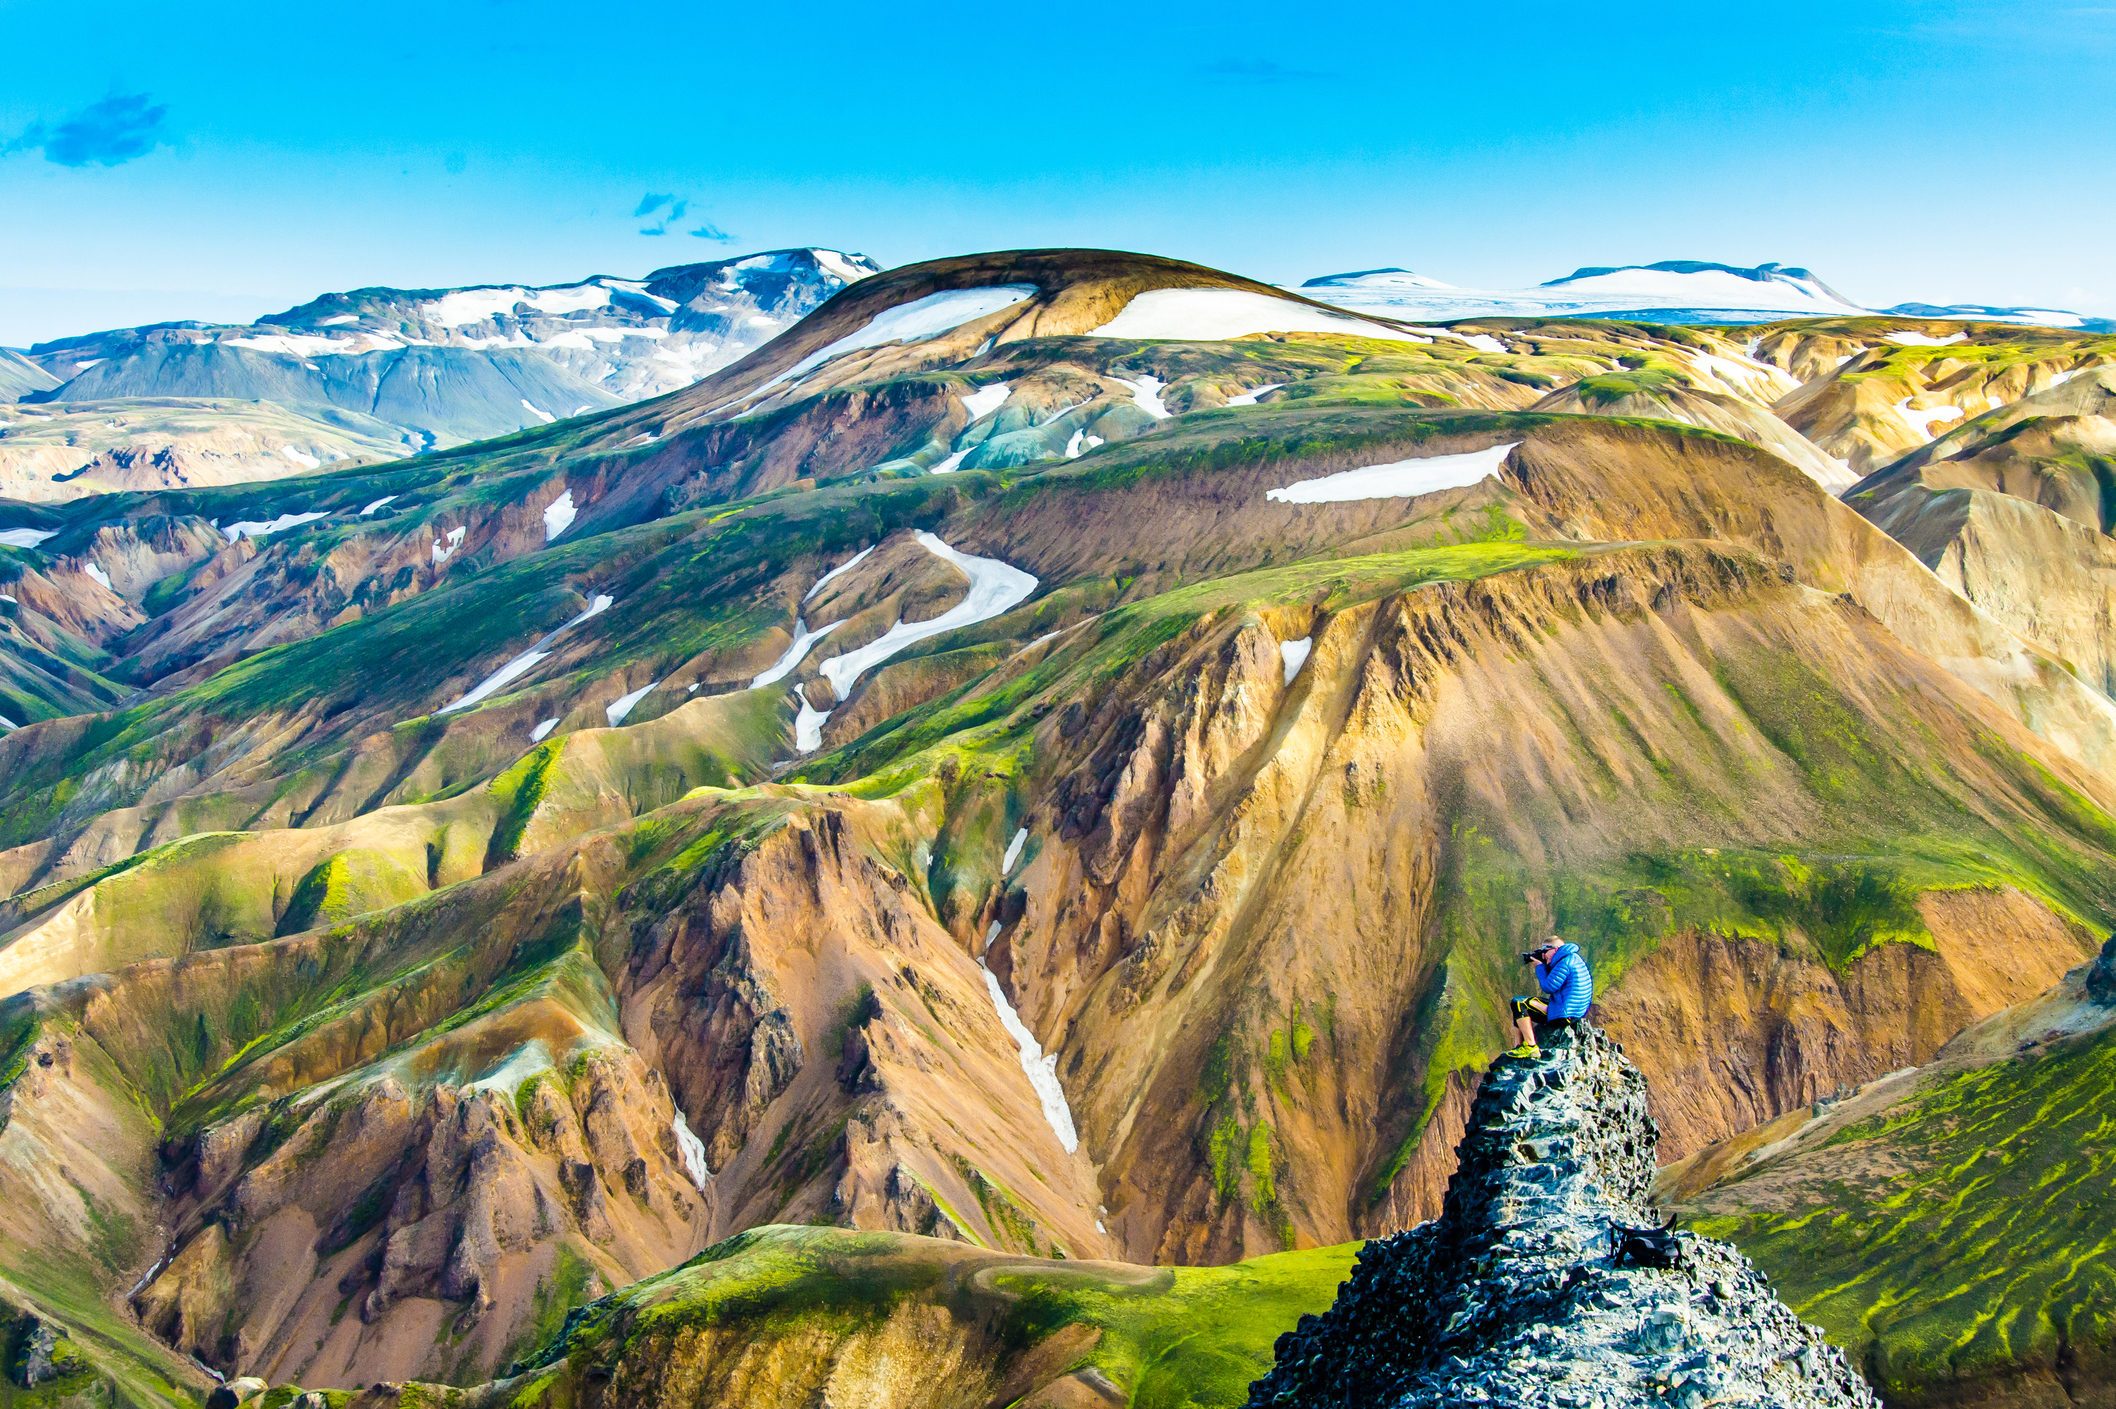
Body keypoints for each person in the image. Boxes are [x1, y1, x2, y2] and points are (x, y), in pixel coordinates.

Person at [1507, 935, 1593, 1058]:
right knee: (1521, 1009)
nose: (1543, 955)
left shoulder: (1564, 963)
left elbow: (1549, 987)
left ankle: (1530, 1047)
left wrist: (1540, 968)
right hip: (1572, 1011)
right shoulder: (1573, 958)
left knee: (1519, 1003)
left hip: (1563, 1013)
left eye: (1545, 951)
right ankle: (1518, 1047)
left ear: (1555, 949)